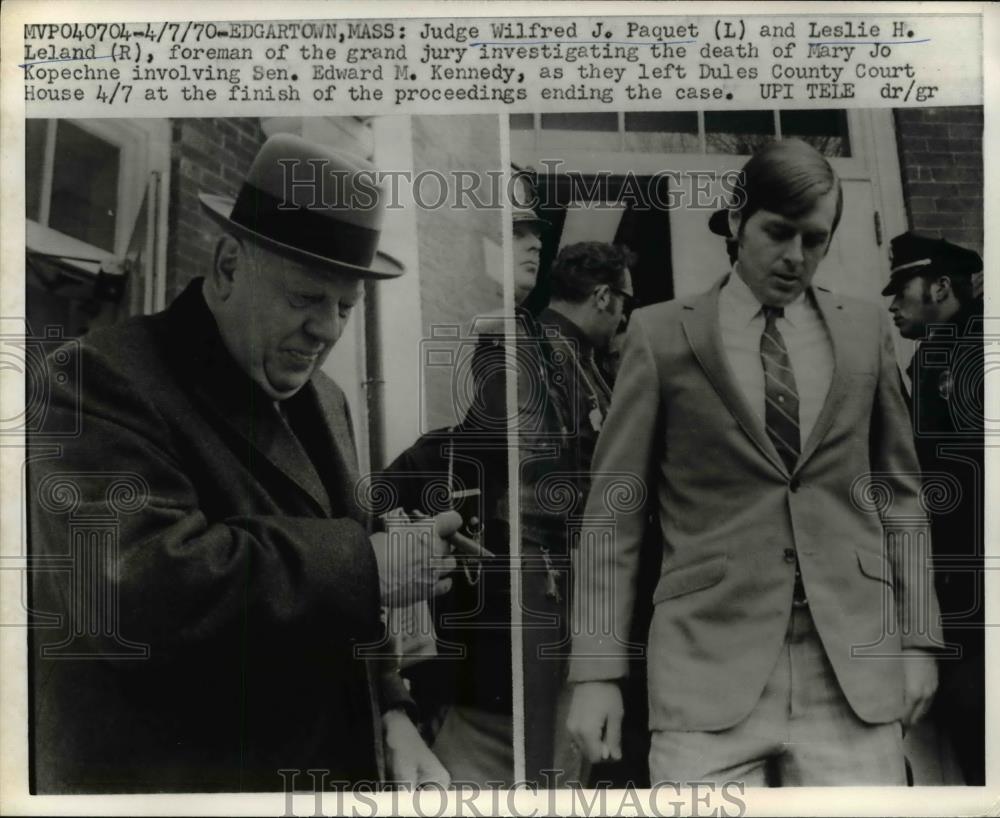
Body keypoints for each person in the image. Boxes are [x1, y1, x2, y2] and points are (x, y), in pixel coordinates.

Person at [28, 133, 460, 792]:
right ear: (229, 265)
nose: (329, 330)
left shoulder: (327, 399)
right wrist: (367, 566)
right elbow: (134, 591)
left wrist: (393, 717)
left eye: (346, 306)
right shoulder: (92, 379)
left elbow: (350, 607)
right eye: (305, 299)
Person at [567, 139, 943, 786]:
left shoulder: (864, 331)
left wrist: (918, 640)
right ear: (738, 222)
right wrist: (597, 672)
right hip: (704, 672)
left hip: (852, 669)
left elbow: (900, 495)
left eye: (815, 239)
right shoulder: (661, 335)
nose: (796, 257)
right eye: (779, 232)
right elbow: (614, 514)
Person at [380, 170, 550, 785]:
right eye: (516, 231)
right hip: (470, 722)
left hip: (562, 710)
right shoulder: (438, 461)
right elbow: (349, 551)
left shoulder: (579, 457)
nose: (532, 243)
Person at [519, 241, 635, 784]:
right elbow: (547, 484)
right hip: (552, 581)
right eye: (625, 303)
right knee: (555, 753)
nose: (625, 317)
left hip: (564, 579)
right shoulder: (540, 352)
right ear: (605, 297)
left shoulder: (576, 358)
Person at [885, 231, 985, 785]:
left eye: (903, 287)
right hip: (955, 582)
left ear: (940, 286)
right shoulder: (933, 354)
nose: (892, 302)